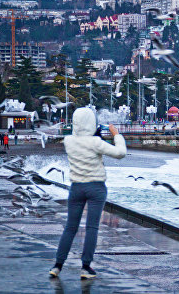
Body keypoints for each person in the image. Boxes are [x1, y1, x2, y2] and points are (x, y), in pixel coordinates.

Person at [49, 107, 127, 280]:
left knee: (70, 227)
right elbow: (120, 153)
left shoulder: (68, 141)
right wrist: (116, 135)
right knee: (92, 228)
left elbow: (82, 141)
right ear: (92, 122)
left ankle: (57, 266)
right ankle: (86, 267)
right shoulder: (95, 143)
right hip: (96, 188)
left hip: (76, 188)